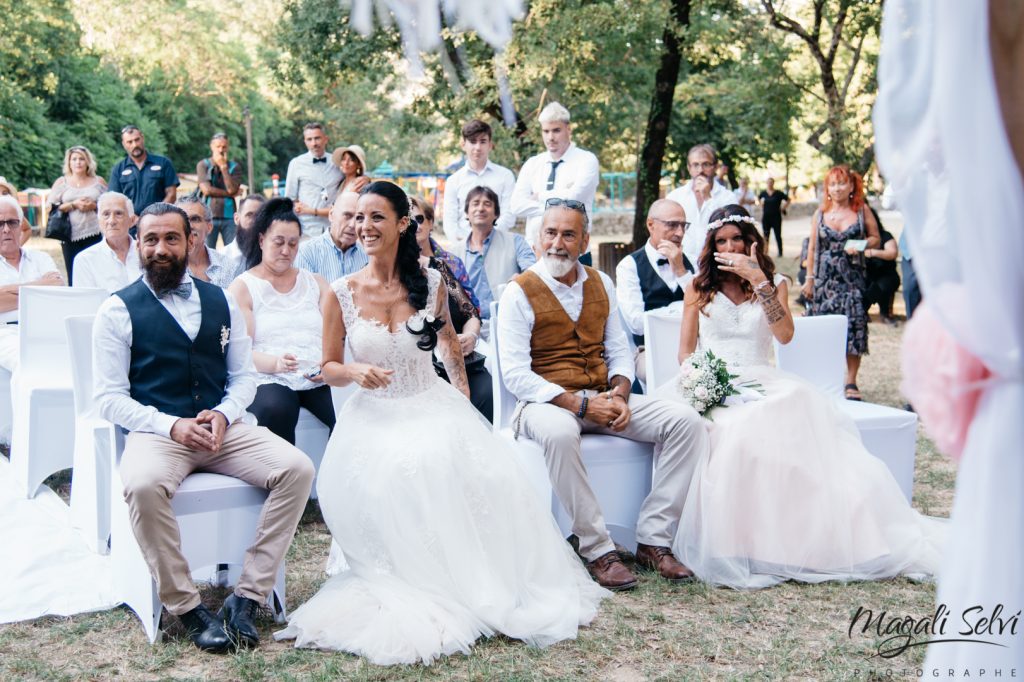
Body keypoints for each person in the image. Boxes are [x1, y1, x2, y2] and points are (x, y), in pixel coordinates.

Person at [274, 181, 608, 664]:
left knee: (466, 466)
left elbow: (450, 344)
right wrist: (352, 370)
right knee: (397, 471)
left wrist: (462, 405)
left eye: (376, 218)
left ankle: (472, 577)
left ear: (402, 225)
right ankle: (409, 575)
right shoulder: (341, 294)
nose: (363, 227)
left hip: (429, 400)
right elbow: (325, 365)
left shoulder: (429, 282)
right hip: (373, 415)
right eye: (358, 218)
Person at [655, 206, 943, 589]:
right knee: (735, 429)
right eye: (721, 241)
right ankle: (735, 543)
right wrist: (704, 381)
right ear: (711, 245)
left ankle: (797, 541)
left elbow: (785, 335)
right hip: (713, 382)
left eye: (736, 239)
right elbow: (685, 352)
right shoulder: (698, 286)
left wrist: (758, 279)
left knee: (784, 419)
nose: (729, 247)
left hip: (762, 379)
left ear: (750, 241)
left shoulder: (775, 282)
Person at [93, 202, 314, 653]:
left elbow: (244, 377)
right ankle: (187, 607)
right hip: (158, 433)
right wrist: (170, 425)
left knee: (297, 468)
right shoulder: (116, 311)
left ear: (190, 241)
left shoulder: (222, 300)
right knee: (141, 483)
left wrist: (225, 413)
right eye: (150, 239)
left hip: (223, 430)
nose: (160, 248)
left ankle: (247, 598)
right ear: (138, 243)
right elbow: (108, 397)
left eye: (170, 238)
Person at [497, 198, 708, 591]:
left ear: (585, 239)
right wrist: (580, 404)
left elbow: (619, 351)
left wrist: (620, 394)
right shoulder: (519, 291)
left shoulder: (601, 282)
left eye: (568, 234)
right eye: (550, 233)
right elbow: (515, 375)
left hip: (603, 396)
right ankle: (598, 549)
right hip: (544, 404)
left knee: (687, 422)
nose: (557, 243)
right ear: (539, 236)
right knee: (560, 433)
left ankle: (654, 540)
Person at [228, 198, 336, 444]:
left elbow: (337, 332)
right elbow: (239, 350)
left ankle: (337, 478)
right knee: (277, 408)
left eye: (293, 243)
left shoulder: (316, 282)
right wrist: (275, 363)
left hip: (317, 375)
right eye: (278, 242)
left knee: (347, 408)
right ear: (261, 239)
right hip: (268, 376)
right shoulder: (244, 287)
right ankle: (285, 478)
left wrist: (330, 364)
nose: (286, 251)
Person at [801, 165, 880, 401]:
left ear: (851, 186)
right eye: (833, 184)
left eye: (842, 183)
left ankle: (851, 380)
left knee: (853, 327)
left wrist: (862, 245)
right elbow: (813, 247)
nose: (837, 188)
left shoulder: (861, 210)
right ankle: (827, 377)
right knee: (824, 328)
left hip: (851, 278)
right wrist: (810, 280)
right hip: (825, 280)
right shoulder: (820, 213)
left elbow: (876, 237)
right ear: (827, 188)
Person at [410, 194, 492, 421]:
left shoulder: (445, 265)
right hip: (420, 363)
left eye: (419, 219)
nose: (414, 226)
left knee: (486, 390)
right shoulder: (392, 272)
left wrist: (470, 336)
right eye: (407, 220)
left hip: (458, 354)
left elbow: (471, 311)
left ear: (429, 222)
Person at [616, 199, 693, 382]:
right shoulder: (629, 266)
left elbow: (706, 309)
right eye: (672, 225)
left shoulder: (693, 262)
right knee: (666, 374)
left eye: (683, 226)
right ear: (651, 225)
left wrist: (681, 271)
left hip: (693, 348)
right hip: (648, 350)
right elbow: (636, 323)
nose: (680, 233)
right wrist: (680, 310)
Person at [510, 102, 600, 252]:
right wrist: (559, 201)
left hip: (573, 250)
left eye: (556, 130)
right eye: (546, 131)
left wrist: (539, 196)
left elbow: (574, 198)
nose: (550, 137)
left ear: (568, 129)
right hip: (534, 251)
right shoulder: (533, 164)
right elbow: (516, 206)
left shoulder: (586, 160)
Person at [0, 196, 64, 371]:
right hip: (5, 333)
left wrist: (7, 292)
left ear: (21, 226)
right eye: (0, 224)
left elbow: (57, 290)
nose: (6, 229)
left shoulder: (41, 258)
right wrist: (40, 286)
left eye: (12, 222)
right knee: (26, 362)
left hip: (46, 328)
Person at [461, 185, 535, 335]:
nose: (481, 208)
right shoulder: (454, 252)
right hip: (466, 327)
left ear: (496, 214)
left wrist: (521, 278)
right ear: (467, 212)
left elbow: (533, 271)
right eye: (475, 203)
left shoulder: (516, 241)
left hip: (508, 324)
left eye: (487, 204)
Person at [442, 119, 516, 242]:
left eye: (482, 142)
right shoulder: (453, 181)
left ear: (490, 145)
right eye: (472, 141)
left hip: (497, 244)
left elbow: (509, 215)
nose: (477, 147)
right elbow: (449, 222)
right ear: (463, 145)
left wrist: (489, 239)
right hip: (463, 245)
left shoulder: (505, 176)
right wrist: (465, 244)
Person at [666, 144, 734, 268]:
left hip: (717, 265)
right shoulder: (675, 197)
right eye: (695, 165)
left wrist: (708, 198)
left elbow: (730, 230)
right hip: (681, 264)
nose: (700, 170)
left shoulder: (728, 197)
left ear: (715, 167)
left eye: (706, 164)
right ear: (689, 168)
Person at [48, 145, 107, 282]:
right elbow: (50, 207)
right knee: (73, 274)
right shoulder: (62, 182)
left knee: (96, 273)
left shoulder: (98, 181)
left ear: (88, 162)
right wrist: (73, 204)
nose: (78, 162)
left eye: (81, 159)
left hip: (95, 233)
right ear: (69, 162)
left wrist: (93, 205)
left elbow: (109, 204)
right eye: (74, 159)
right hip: (70, 235)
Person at [73, 192, 142, 293]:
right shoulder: (85, 260)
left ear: (131, 221)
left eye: (118, 214)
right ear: (99, 221)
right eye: (106, 214)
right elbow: (85, 302)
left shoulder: (146, 252)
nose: (112, 221)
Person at [108, 125, 179, 219]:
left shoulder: (163, 163)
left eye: (137, 140)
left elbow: (171, 194)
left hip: (159, 221)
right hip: (131, 224)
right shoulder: (118, 170)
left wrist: (156, 214)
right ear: (124, 144)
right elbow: (114, 200)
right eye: (129, 142)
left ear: (142, 138)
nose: (135, 145)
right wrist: (132, 217)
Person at [295, 191, 368, 282]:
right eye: (347, 216)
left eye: (359, 218)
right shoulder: (307, 252)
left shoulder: (369, 255)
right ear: (331, 215)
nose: (352, 225)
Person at [284, 122, 341, 237]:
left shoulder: (337, 162)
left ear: (326, 139)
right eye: (309, 139)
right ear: (305, 142)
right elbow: (290, 198)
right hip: (307, 230)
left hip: (335, 228)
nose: (314, 143)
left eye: (317, 138)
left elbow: (353, 174)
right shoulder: (296, 164)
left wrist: (364, 178)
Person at [177, 193, 242, 288]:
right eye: (183, 220)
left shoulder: (229, 267)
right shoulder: (165, 267)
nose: (189, 226)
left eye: (195, 219)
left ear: (209, 227)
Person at [196, 133, 243, 249]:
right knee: (206, 251)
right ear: (212, 147)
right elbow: (206, 190)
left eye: (224, 147)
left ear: (228, 147)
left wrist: (223, 167)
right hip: (208, 216)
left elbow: (232, 188)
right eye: (218, 147)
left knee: (233, 251)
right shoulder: (203, 165)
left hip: (229, 217)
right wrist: (229, 194)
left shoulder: (234, 167)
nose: (221, 150)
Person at [862, 209, 900, 325]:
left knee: (881, 286)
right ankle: (862, 312)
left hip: (886, 275)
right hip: (867, 276)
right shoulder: (859, 239)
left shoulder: (885, 236)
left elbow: (892, 253)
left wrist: (873, 252)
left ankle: (884, 314)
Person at [220, 193, 266, 262]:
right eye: (249, 215)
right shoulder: (221, 259)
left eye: (260, 215)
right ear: (237, 219)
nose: (255, 220)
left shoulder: (275, 258)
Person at [758, 178, 789, 257]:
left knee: (778, 235)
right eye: (768, 182)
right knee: (766, 235)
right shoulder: (763, 193)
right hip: (766, 217)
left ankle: (780, 252)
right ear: (766, 183)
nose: (770, 184)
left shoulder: (778, 193)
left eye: (771, 182)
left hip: (776, 217)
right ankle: (765, 252)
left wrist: (783, 208)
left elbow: (788, 199)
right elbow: (759, 199)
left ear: (773, 183)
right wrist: (761, 205)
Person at [0, 177, 32, 245]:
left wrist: (17, 247)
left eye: (4, 193)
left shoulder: (13, 213)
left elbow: (27, 229)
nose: (1, 196)